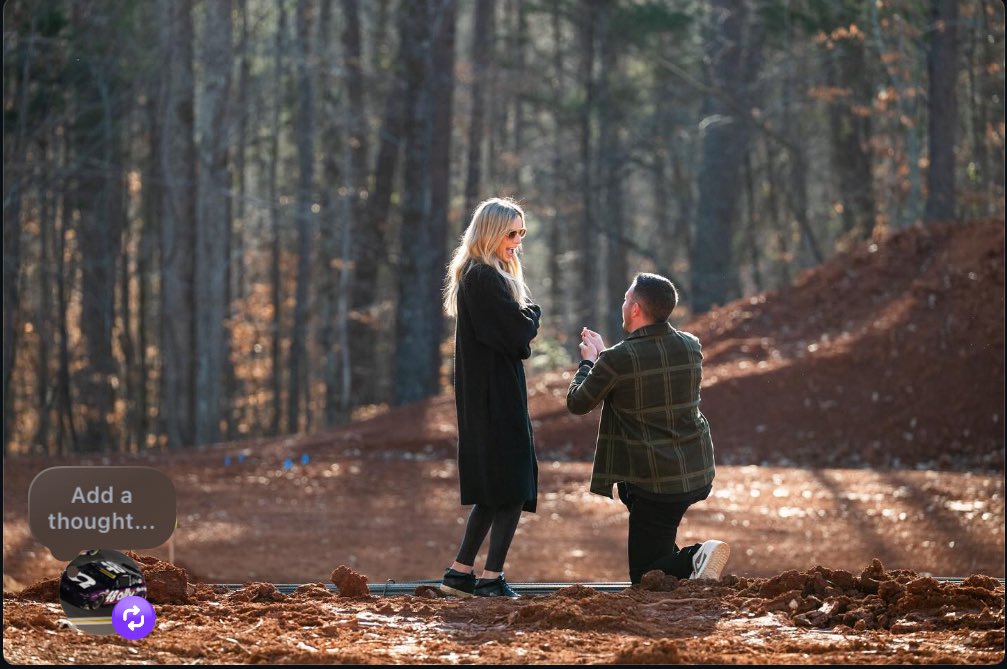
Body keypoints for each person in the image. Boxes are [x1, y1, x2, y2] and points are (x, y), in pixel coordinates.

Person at [566, 272, 730, 584]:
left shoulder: (617, 359)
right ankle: (691, 567)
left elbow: (578, 402)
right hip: (694, 471)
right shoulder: (691, 346)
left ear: (637, 309)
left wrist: (589, 362)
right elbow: (643, 371)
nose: (623, 305)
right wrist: (605, 358)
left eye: (626, 300)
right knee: (655, 538)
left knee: (646, 576)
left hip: (655, 483)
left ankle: (697, 556)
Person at [438, 197, 542, 598]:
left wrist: (524, 314)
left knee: (495, 490)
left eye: (521, 234)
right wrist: (532, 312)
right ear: (492, 233)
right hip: (495, 399)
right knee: (513, 486)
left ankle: (460, 573)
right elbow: (516, 336)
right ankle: (490, 577)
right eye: (511, 233)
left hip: (489, 397)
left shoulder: (480, 276)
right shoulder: (484, 278)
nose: (517, 241)